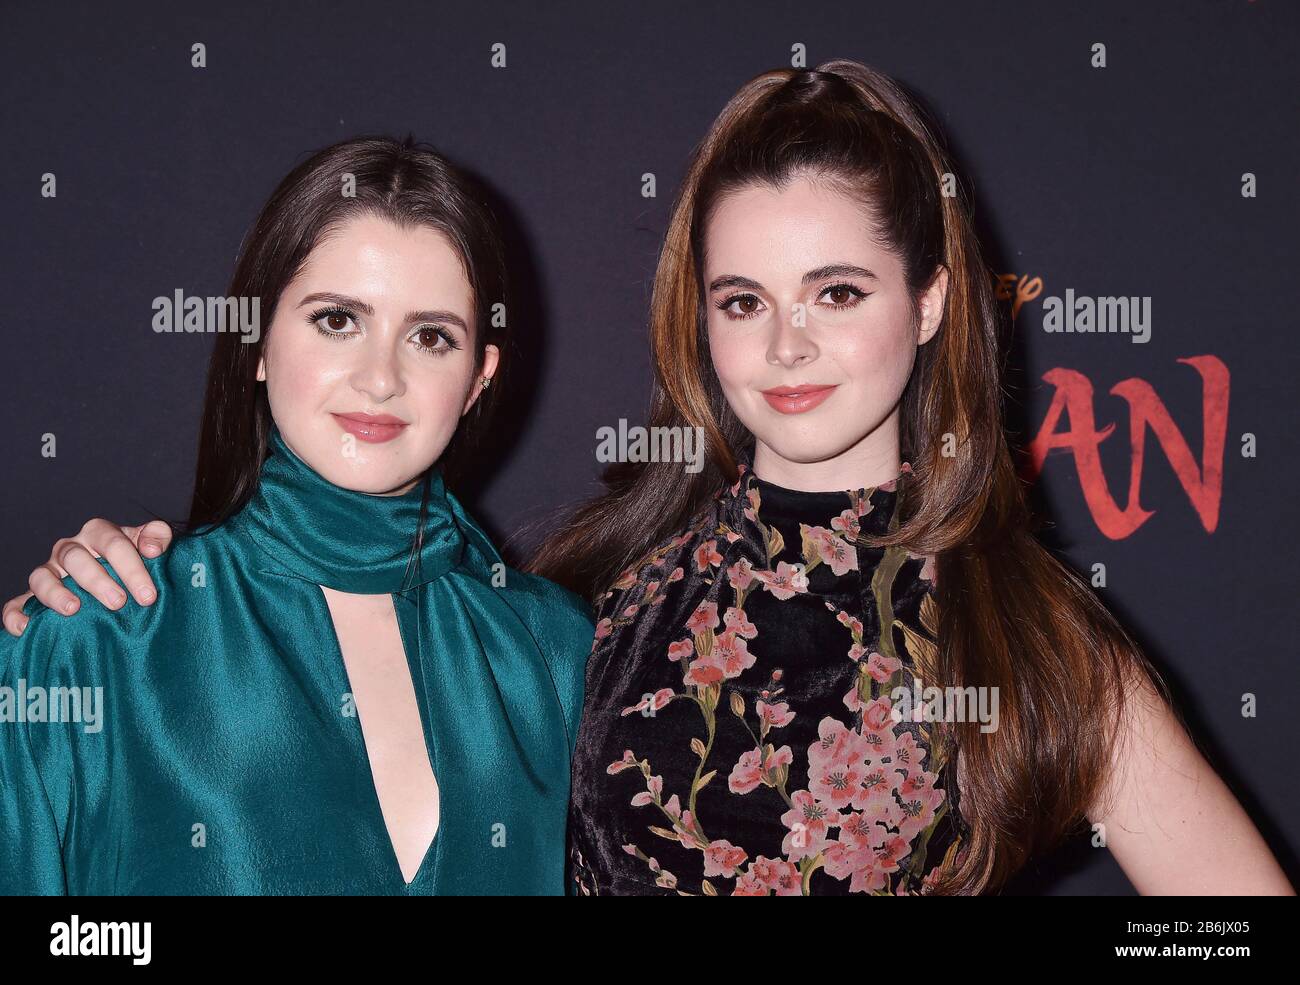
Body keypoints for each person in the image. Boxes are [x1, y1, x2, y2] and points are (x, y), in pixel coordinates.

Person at [8, 64, 1295, 896]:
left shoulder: (1031, 638)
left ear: (931, 302)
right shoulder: (601, 606)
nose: (785, 344)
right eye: (744, 299)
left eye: (836, 293)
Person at [0, 135, 592, 895]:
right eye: (338, 320)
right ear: (257, 341)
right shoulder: (98, 635)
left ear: (479, 377)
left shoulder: (560, 655)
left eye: (430, 336)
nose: (381, 378)